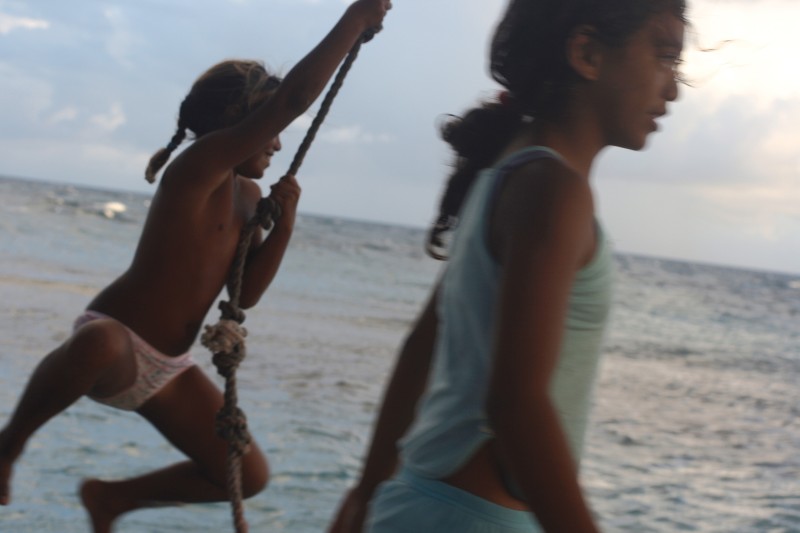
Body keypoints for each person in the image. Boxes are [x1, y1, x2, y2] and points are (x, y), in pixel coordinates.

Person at [0, 1, 390, 531]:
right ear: (239, 122)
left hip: (169, 370)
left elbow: (245, 293)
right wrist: (356, 20)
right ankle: (10, 443)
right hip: (112, 344)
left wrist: (286, 226)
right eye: (268, 129)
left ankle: (112, 498)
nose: (277, 143)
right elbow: (295, 100)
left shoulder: (249, 196)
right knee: (100, 343)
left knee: (249, 476)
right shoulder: (197, 170)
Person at [330, 0, 686, 531]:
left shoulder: (508, 174)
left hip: (420, 502)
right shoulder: (554, 190)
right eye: (663, 56)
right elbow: (516, 406)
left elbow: (424, 344)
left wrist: (365, 494)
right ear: (586, 52)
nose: (673, 87)